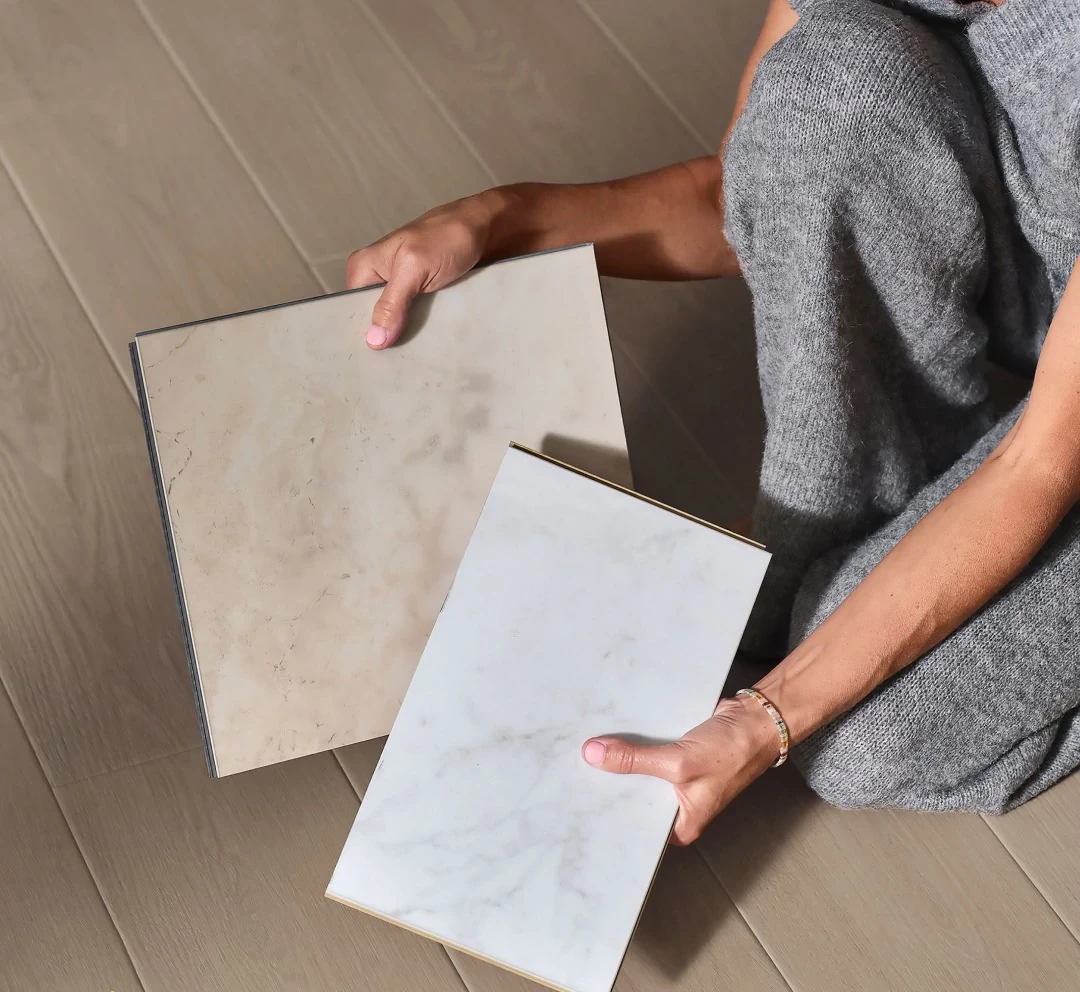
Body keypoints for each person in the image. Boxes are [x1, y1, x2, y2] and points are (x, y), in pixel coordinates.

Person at [345, 0, 1080, 843]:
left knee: (862, 743)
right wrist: (500, 220)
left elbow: (1040, 465)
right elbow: (745, 201)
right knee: (830, 82)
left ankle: (864, 573)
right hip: (1046, 334)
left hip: (1055, 439)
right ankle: (851, 531)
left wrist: (767, 717)